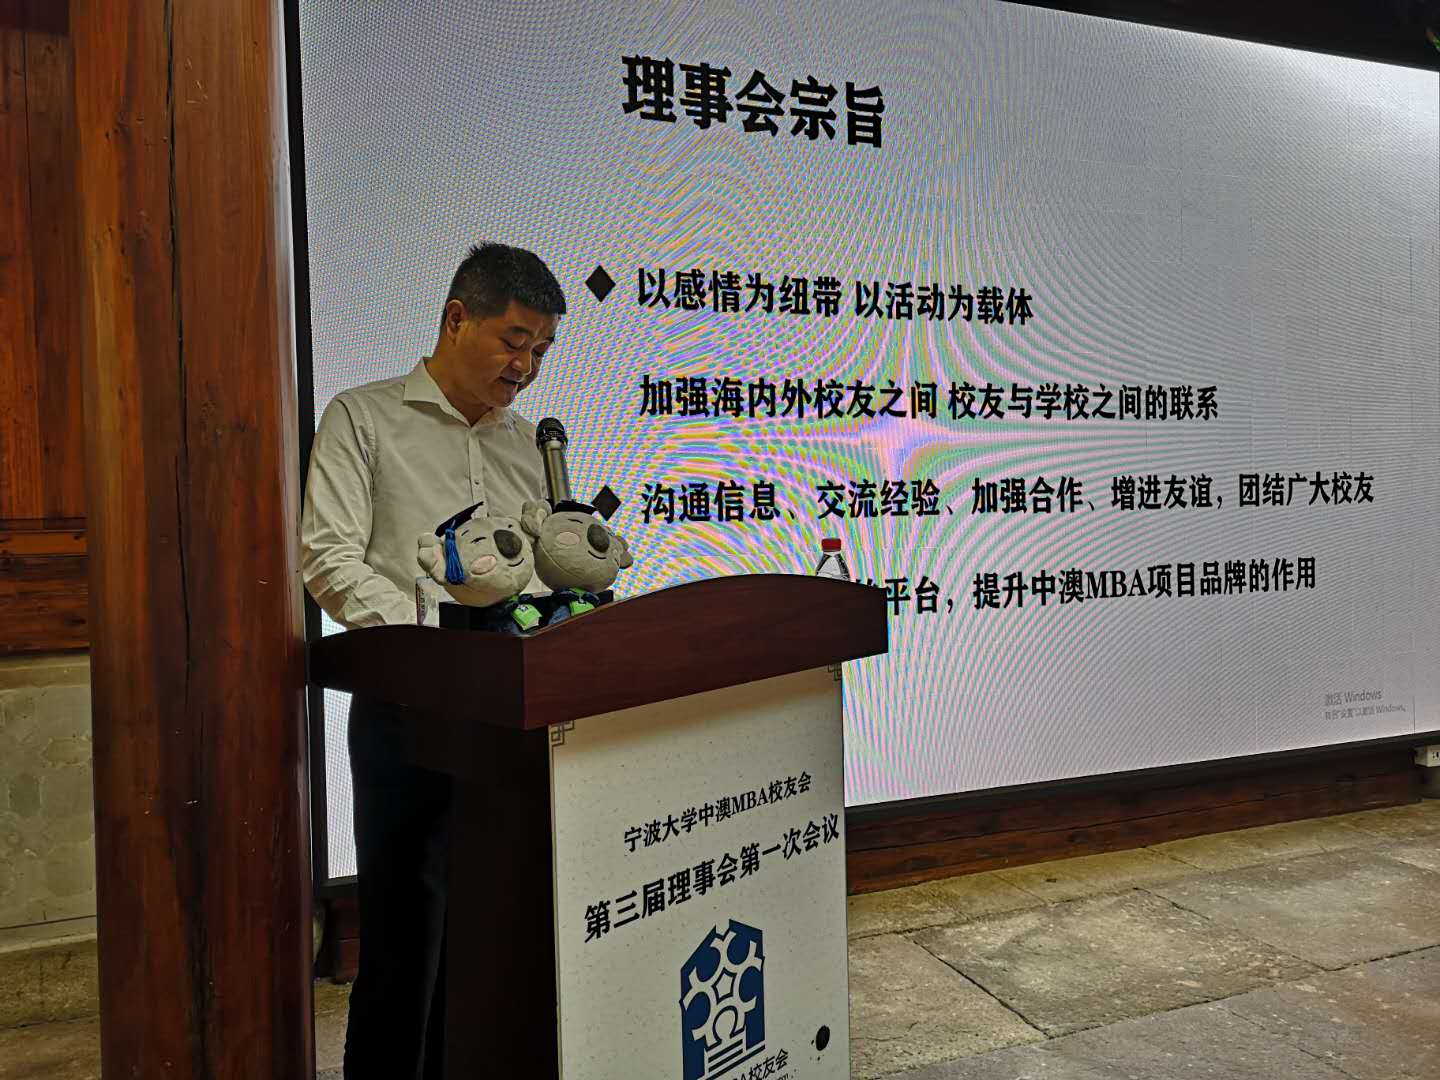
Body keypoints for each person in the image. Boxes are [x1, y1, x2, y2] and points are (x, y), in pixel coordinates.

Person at [300, 243, 566, 1079]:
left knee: (494, 934)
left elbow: (547, 571)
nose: (526, 367)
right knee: (406, 934)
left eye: (541, 350)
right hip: (410, 704)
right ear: (457, 318)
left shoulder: (529, 446)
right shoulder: (363, 417)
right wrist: (430, 635)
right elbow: (328, 557)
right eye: (513, 341)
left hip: (512, 709)